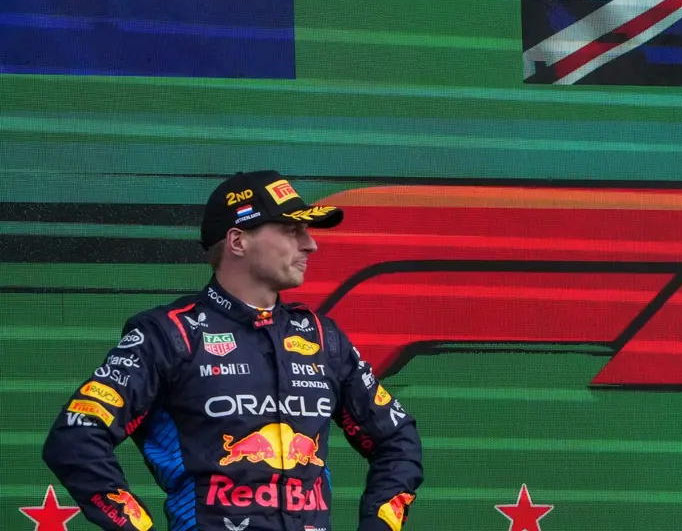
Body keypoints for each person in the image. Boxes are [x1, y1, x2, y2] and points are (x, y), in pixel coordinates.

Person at [43, 170, 424, 531]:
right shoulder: (169, 333)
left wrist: (378, 523)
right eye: (292, 230)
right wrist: (132, 523)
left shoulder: (323, 338)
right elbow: (76, 436)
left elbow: (398, 439)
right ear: (238, 241)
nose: (310, 243)